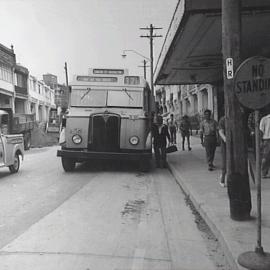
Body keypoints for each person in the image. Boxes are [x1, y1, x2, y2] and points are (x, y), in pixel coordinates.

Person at [259, 113, 270, 178]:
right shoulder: (265, 119)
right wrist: (260, 141)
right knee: (265, 157)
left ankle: (265, 172)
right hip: (267, 139)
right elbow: (261, 131)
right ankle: (263, 172)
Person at [218, 115, 226, 187]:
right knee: (225, 163)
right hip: (226, 145)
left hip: (236, 144)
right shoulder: (223, 119)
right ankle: (222, 179)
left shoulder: (238, 118)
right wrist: (225, 138)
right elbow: (220, 131)